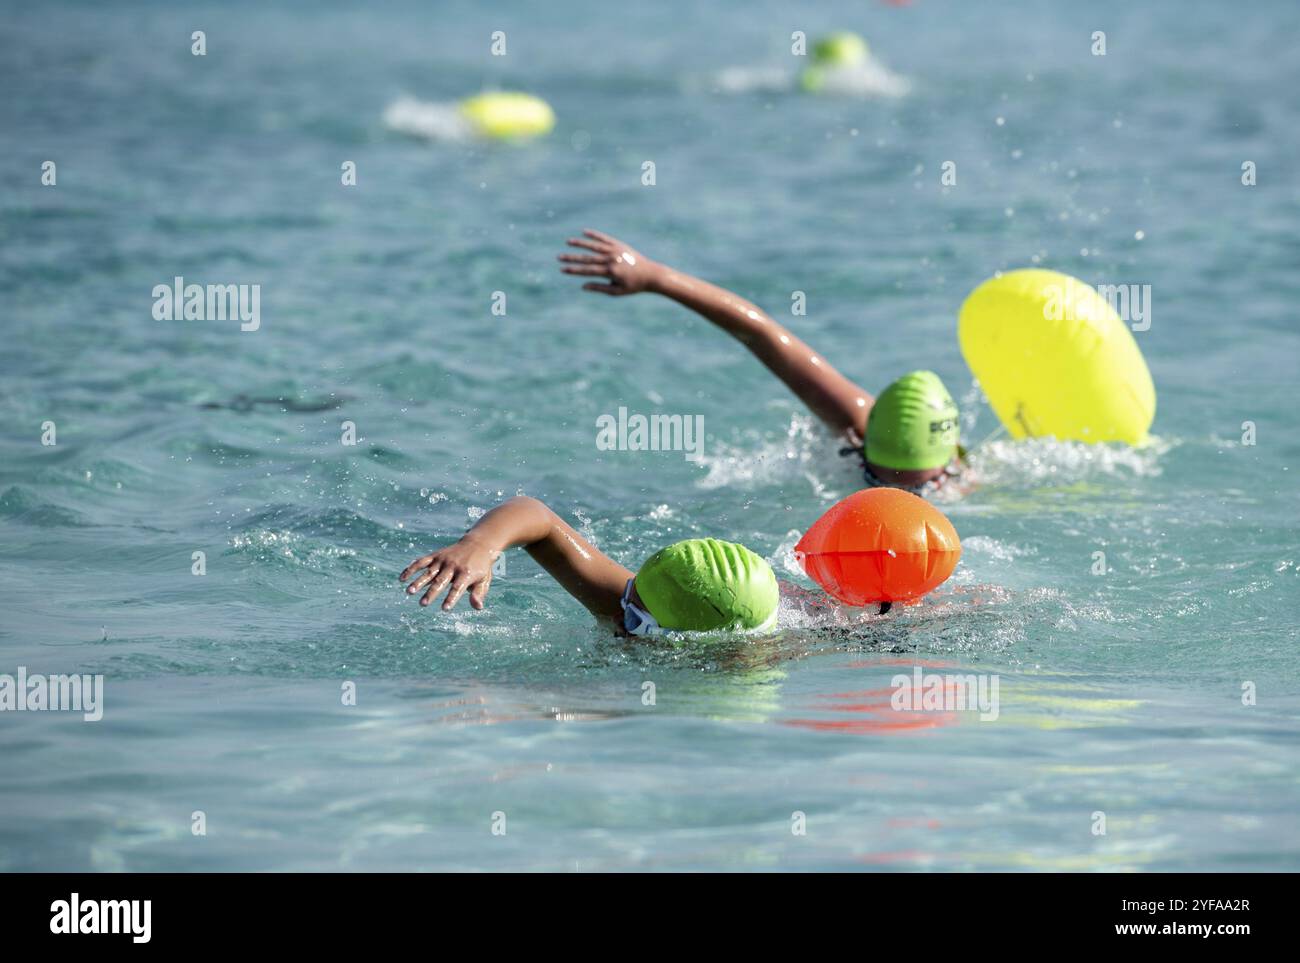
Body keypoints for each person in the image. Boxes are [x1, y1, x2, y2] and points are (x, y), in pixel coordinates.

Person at [558, 230, 965, 493]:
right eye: (878, 479)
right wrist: (657, 278)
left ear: (948, 464)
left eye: (922, 487)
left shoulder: (962, 479)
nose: (899, 497)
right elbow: (762, 334)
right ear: (863, 444)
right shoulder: (855, 421)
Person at [399, 495, 780, 635]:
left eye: (635, 623)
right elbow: (538, 517)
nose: (620, 616)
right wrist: (479, 544)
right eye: (629, 599)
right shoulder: (628, 601)